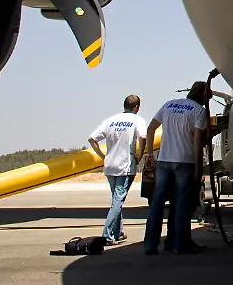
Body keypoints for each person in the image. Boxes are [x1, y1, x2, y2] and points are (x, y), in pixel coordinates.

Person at [142, 81, 211, 255]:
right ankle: (180, 245)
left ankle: (150, 245)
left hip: (164, 160)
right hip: (185, 162)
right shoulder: (199, 111)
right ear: (203, 98)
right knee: (182, 204)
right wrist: (198, 167)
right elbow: (196, 142)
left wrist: (150, 154)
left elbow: (150, 129)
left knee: (157, 204)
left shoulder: (168, 105)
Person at [88, 94, 148, 245]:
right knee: (118, 201)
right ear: (136, 107)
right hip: (125, 165)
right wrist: (139, 156)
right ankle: (107, 235)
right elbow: (143, 137)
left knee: (116, 200)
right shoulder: (137, 120)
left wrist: (103, 156)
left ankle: (118, 232)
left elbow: (92, 139)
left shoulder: (111, 120)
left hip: (110, 165)